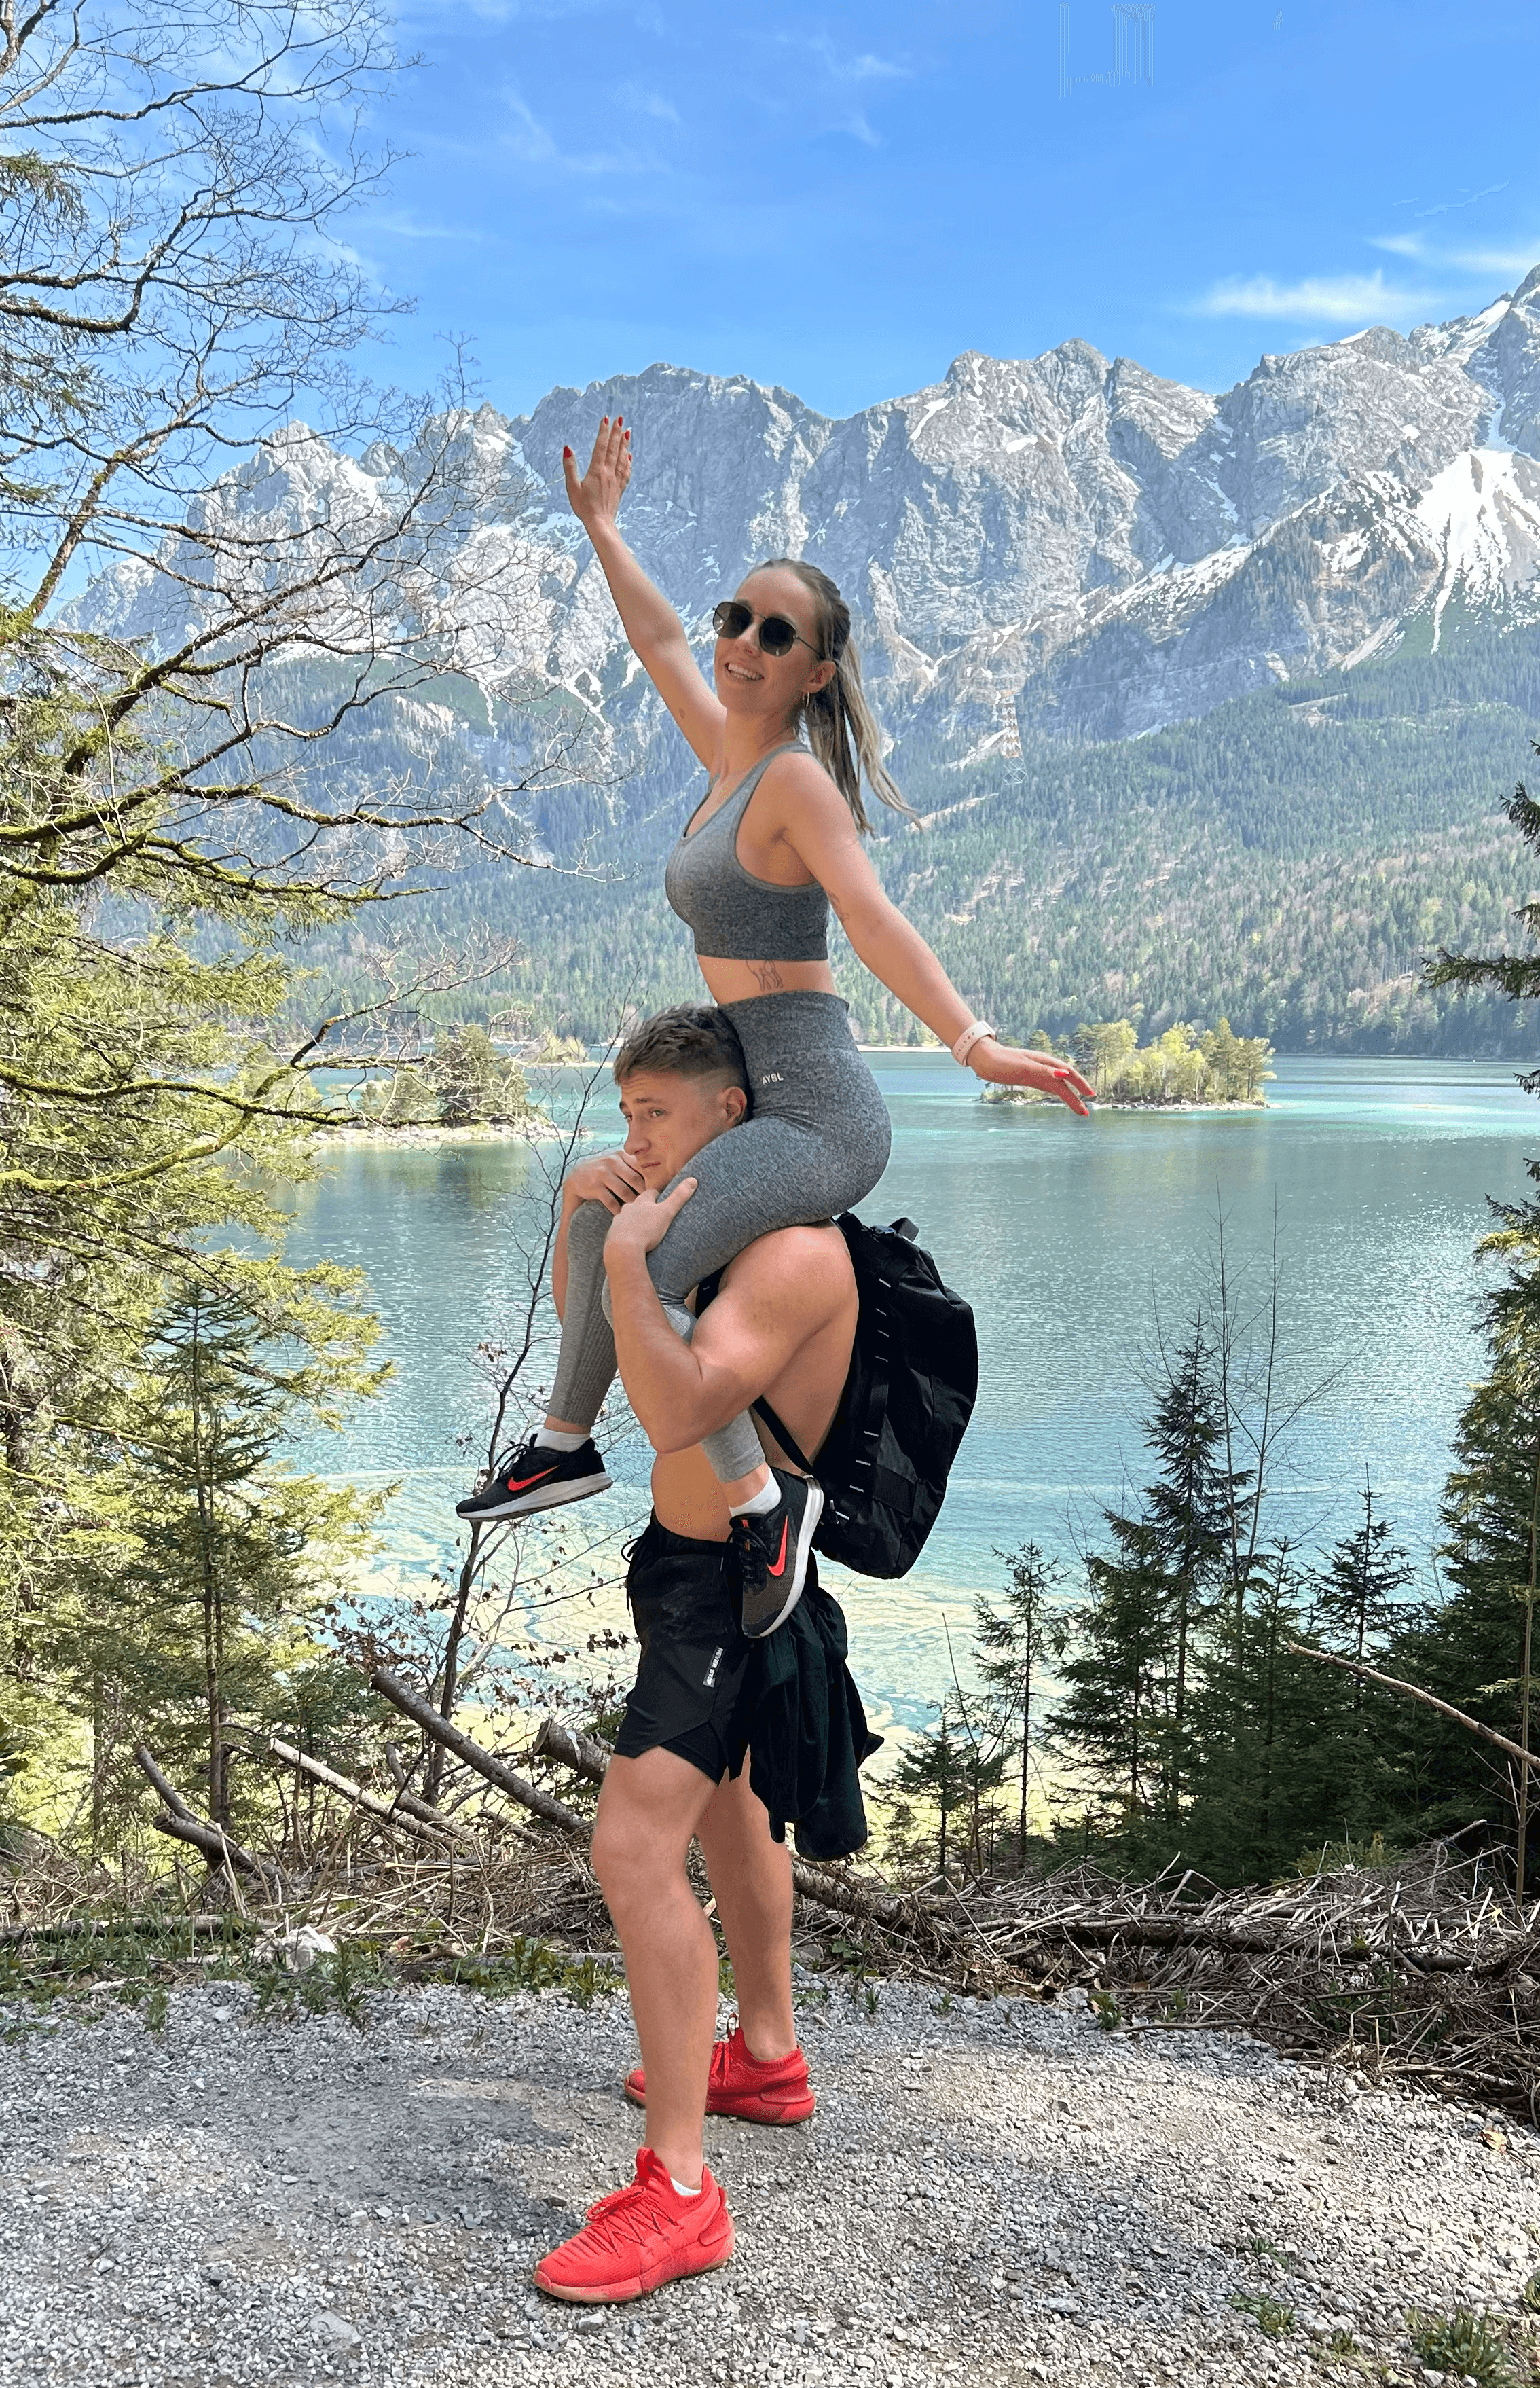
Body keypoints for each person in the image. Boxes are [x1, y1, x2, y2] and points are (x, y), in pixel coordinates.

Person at [458, 414, 1096, 1637]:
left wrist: (975, 1045)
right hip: (751, 1096)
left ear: (817, 670)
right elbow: (652, 639)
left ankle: (762, 1505)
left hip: (816, 1115)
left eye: (776, 633)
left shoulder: (797, 781)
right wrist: (601, 527)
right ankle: (564, 1442)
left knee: (648, 1250)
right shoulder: (726, 759)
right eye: (735, 620)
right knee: (594, 1209)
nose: (743, 643)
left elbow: (872, 916)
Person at [532, 1005, 873, 2307]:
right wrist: (594, 1224)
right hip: (692, 1569)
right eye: (624, 1118)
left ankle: (677, 2190)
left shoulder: (790, 1255)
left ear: (732, 1120)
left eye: (654, 1118)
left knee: (632, 1847)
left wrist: (628, 1260)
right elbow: (612, 1351)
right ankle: (767, 2056)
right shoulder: (709, 1238)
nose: (637, 1140)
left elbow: (672, 1402)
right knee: (734, 1810)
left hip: (736, 1589)